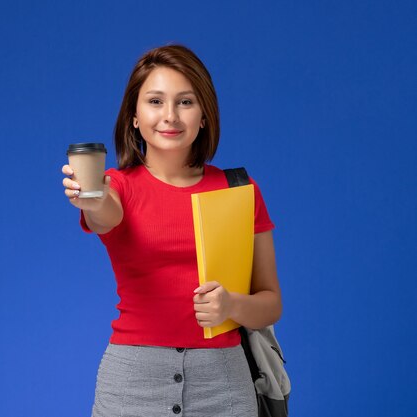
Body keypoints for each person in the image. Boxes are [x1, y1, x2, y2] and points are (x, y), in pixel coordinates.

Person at [61, 45, 282, 417]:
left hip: (224, 385)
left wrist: (231, 305)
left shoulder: (239, 191)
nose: (169, 116)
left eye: (184, 102)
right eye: (155, 101)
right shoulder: (117, 187)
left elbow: (271, 303)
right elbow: (104, 213)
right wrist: (91, 198)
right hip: (131, 385)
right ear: (133, 116)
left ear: (204, 116)